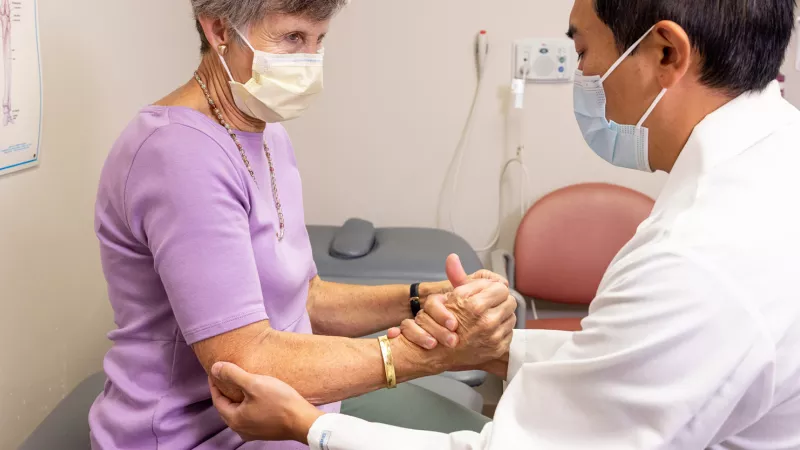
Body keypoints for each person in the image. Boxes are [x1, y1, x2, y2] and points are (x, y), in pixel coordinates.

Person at [205, 0, 800, 448]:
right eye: (292, 38)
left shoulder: (697, 256)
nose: (583, 75)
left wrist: (309, 426)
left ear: (666, 53)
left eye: (583, 53)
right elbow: (632, 362)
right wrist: (488, 347)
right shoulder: (771, 159)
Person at [89, 1, 517, 449]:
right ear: (219, 30)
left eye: (319, 40)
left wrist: (422, 299)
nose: (310, 60)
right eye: (293, 38)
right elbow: (244, 363)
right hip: (197, 433)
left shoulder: (266, 131)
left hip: (297, 408)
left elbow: (304, 296)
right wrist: (428, 356)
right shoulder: (178, 154)